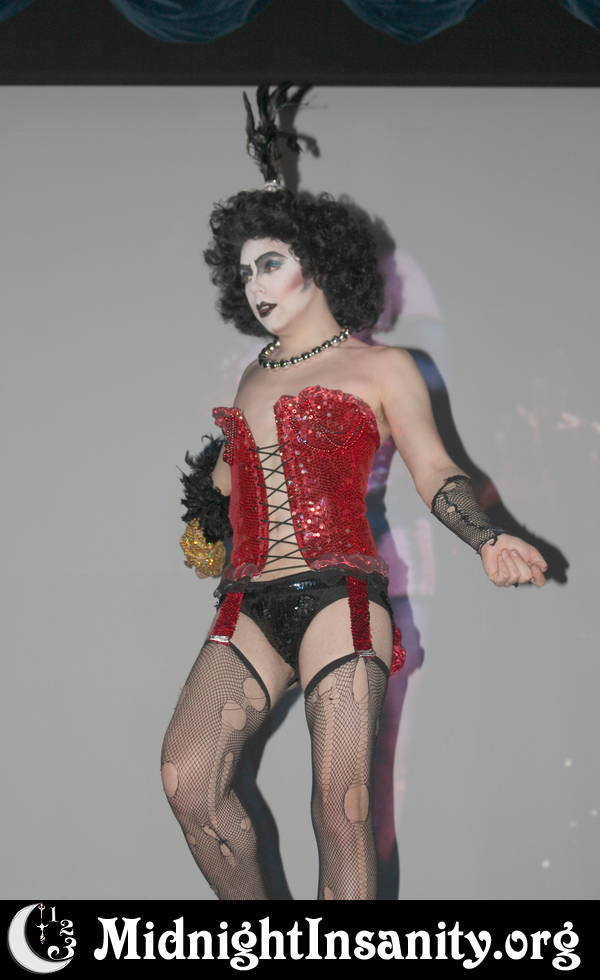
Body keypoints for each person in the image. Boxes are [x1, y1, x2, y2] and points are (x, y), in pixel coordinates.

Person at [161, 87, 549, 901]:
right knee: (187, 779)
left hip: (342, 595)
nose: (256, 284)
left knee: (341, 809)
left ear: (319, 262)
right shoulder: (252, 375)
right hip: (250, 599)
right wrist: (210, 502)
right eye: (245, 271)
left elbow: (434, 468)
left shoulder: (383, 367)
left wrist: (486, 537)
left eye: (270, 262)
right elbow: (228, 484)